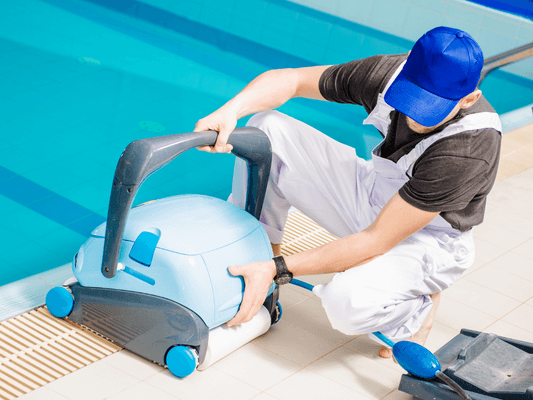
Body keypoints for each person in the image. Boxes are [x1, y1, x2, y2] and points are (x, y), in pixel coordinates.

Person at [194, 26, 502, 358]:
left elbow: (377, 239)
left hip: (426, 238)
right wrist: (230, 111)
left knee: (346, 303)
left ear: (469, 98)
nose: (414, 114)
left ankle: (415, 311)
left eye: (429, 108)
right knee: (266, 129)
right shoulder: (387, 74)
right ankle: (258, 255)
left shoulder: (468, 149)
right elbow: (292, 80)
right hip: (374, 193)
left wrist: (280, 269)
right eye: (411, 97)